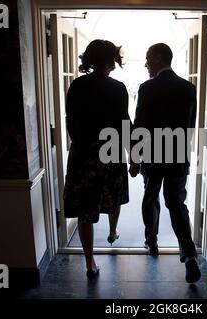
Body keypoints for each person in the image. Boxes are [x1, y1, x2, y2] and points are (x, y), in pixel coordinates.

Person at [129, 43, 201, 283]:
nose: (146, 63)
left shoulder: (147, 88)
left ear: (159, 59)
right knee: (177, 204)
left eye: (148, 58)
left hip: (152, 154)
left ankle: (152, 243)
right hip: (178, 156)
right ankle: (189, 256)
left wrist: (134, 159)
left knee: (150, 197)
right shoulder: (189, 88)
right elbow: (190, 127)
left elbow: (139, 125)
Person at [63, 39, 130, 278]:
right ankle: (112, 231)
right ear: (112, 60)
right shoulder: (118, 88)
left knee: (85, 209)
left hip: (84, 155)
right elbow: (124, 125)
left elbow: (71, 122)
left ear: (89, 59)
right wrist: (134, 155)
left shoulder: (77, 86)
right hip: (111, 151)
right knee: (113, 197)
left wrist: (82, 147)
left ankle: (90, 262)